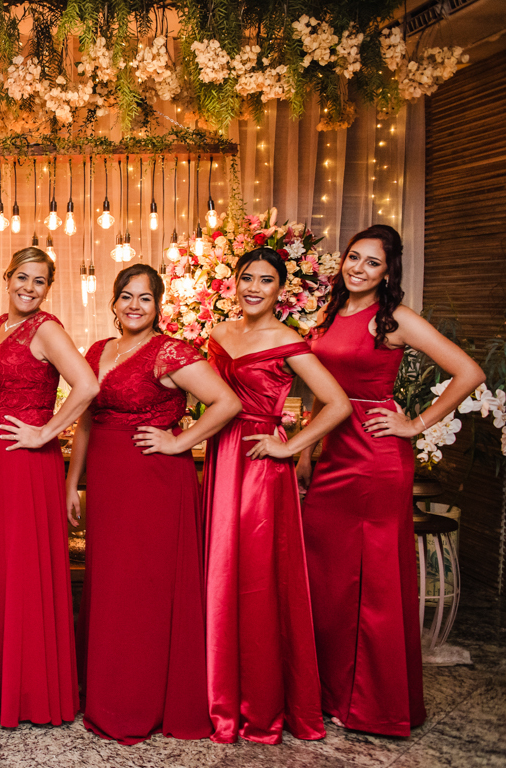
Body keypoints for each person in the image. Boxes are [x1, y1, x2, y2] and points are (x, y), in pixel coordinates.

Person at [299, 225, 484, 736]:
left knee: (373, 584)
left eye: (371, 263)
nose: (357, 268)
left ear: (388, 272)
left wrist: (414, 424)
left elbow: (469, 372)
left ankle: (374, 704)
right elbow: (322, 388)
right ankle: (330, 693)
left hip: (376, 459)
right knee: (328, 579)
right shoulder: (330, 313)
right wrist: (308, 449)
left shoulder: (395, 319)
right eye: (353, 257)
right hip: (333, 452)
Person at [66, 263, 241, 744]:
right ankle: (103, 690)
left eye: (144, 298)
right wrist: (71, 483)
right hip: (108, 480)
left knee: (142, 588)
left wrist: (180, 442)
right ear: (114, 302)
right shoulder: (99, 350)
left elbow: (227, 403)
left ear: (158, 305)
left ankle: (137, 701)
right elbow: (85, 420)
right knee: (110, 583)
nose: (134, 306)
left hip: (153, 482)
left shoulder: (171, 352)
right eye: (126, 296)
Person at [202, 247, 352, 744]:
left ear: (279, 290)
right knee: (219, 572)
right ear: (235, 281)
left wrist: (291, 446)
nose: (253, 288)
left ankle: (258, 703)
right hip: (220, 455)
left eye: (265, 281)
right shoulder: (220, 334)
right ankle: (215, 692)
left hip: (260, 467)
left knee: (256, 579)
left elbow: (336, 404)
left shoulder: (288, 341)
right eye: (247, 277)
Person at [0, 246, 99, 728]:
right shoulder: (2, 324)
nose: (29, 287)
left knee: (21, 567)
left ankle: (27, 691)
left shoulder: (46, 328)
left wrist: (46, 431)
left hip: (25, 462)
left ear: (48, 287)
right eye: (22, 277)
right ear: (7, 278)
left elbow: (86, 386)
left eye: (39, 281)